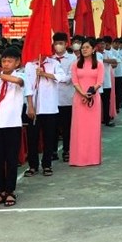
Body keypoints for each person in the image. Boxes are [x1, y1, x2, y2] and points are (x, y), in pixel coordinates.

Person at [0, 47, 27, 207]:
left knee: (11, 158)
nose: (6, 64)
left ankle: (10, 191)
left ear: (17, 63)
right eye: (4, 61)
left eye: (10, 61)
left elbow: (18, 82)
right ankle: (0, 191)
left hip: (12, 124)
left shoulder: (20, 75)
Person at [25, 44, 69, 177]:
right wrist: (30, 106)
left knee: (49, 138)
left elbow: (62, 77)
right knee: (32, 138)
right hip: (34, 108)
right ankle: (33, 165)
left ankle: (47, 164)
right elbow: (27, 87)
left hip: (49, 108)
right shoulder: (29, 65)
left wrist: (44, 74)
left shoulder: (54, 63)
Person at [70, 39, 104, 166]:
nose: (84, 49)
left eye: (87, 47)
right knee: (79, 129)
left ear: (93, 49)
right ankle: (78, 158)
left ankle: (93, 158)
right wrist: (82, 93)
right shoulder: (75, 64)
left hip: (93, 100)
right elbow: (75, 82)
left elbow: (99, 82)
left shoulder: (99, 65)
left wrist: (89, 93)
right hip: (79, 99)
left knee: (92, 129)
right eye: (82, 47)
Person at [49, 33, 75, 163]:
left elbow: (70, 77)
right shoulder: (50, 59)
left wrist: (55, 77)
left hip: (67, 98)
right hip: (52, 99)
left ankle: (67, 150)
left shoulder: (72, 59)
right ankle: (53, 150)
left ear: (66, 44)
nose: (58, 46)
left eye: (61, 43)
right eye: (56, 43)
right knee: (52, 127)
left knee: (67, 127)